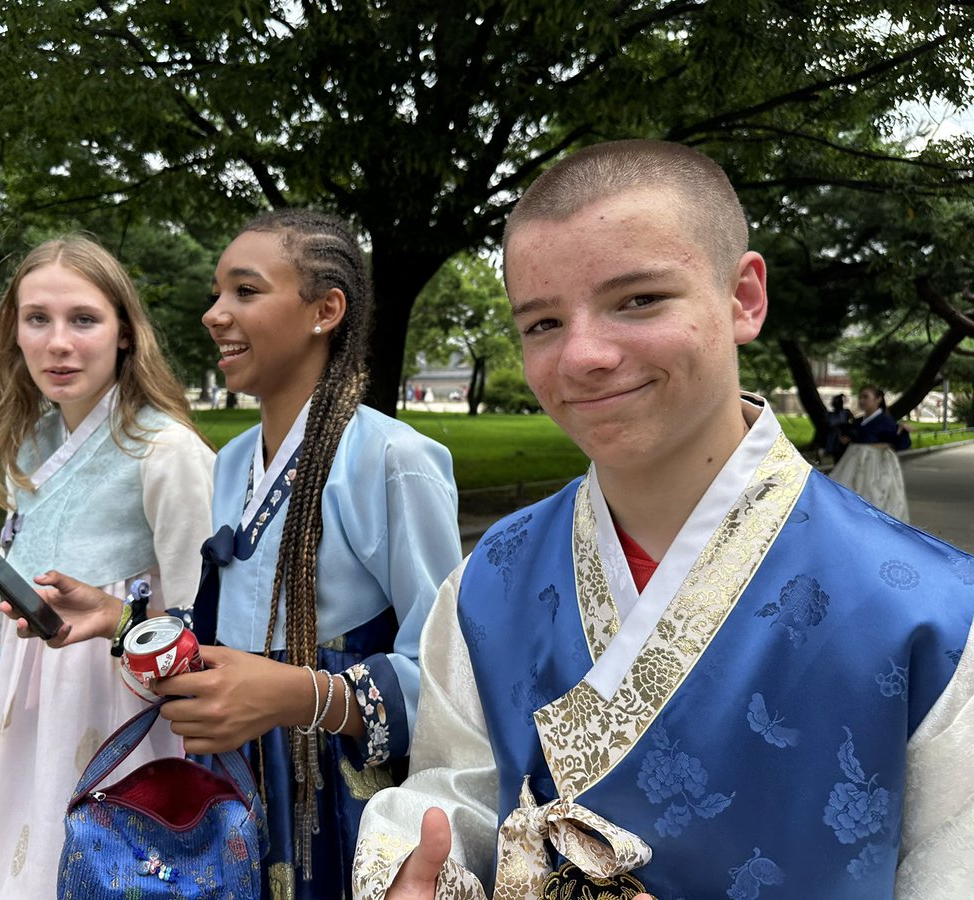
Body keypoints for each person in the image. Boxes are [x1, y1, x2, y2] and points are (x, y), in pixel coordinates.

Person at [352, 141, 974, 899]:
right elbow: (457, 789)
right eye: (543, 323)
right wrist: (417, 872)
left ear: (743, 298)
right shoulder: (489, 580)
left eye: (639, 300)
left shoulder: (932, 615)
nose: (582, 355)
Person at [20, 210, 463, 898]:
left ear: (325, 309)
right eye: (216, 293)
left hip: (337, 801)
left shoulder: (392, 460)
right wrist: (117, 617)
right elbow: (218, 634)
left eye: (245, 292)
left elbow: (449, 679)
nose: (214, 314)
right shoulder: (228, 465)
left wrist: (298, 695)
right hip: (231, 794)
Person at [0, 235, 216, 899]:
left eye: (84, 319)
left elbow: (206, 629)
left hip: (119, 710)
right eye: (37, 318)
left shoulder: (167, 452)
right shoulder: (29, 441)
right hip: (25, 700)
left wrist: (124, 622)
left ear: (125, 331)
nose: (58, 342)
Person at [830, 384, 913, 522]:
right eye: (860, 397)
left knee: (874, 499)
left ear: (878, 399)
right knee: (845, 495)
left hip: (876, 465)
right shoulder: (857, 422)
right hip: (853, 463)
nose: (862, 401)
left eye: (866, 397)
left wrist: (903, 433)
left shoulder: (886, 422)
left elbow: (902, 444)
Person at [821, 392, 855, 463]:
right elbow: (828, 426)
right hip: (834, 439)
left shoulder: (846, 412)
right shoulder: (830, 415)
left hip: (844, 437)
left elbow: (853, 423)